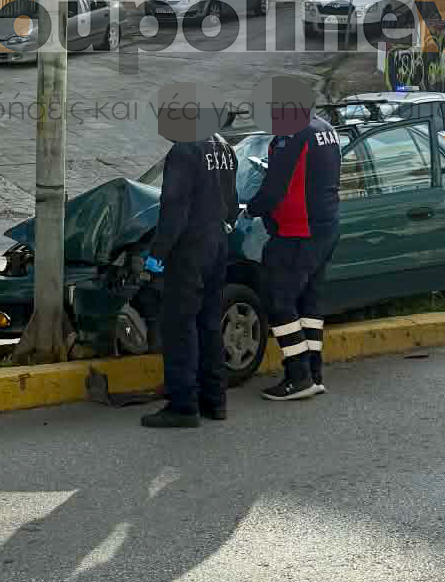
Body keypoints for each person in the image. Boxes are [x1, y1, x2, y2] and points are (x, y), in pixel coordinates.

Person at [140, 84, 239, 431]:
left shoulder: (184, 150)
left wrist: (157, 255)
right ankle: (215, 400)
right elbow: (232, 205)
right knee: (209, 324)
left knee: (179, 327)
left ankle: (183, 406)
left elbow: (174, 209)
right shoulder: (223, 147)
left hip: (189, 251)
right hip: (217, 247)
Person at [246, 74, 341, 401]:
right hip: (326, 227)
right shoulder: (325, 129)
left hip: (297, 231)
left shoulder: (291, 135)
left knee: (279, 300)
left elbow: (275, 188)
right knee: (310, 303)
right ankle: (314, 372)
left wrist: (250, 209)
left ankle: (297, 376)